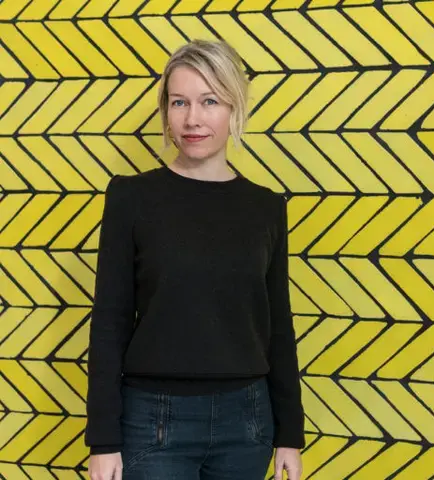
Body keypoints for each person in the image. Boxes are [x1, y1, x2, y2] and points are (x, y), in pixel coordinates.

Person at [85, 39, 305, 480]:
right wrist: (103, 441)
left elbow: (277, 322)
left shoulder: (266, 207)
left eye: (209, 101)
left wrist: (290, 434)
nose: (192, 119)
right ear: (165, 110)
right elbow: (108, 320)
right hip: (153, 422)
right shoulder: (131, 197)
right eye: (178, 102)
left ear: (234, 108)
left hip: (249, 421)